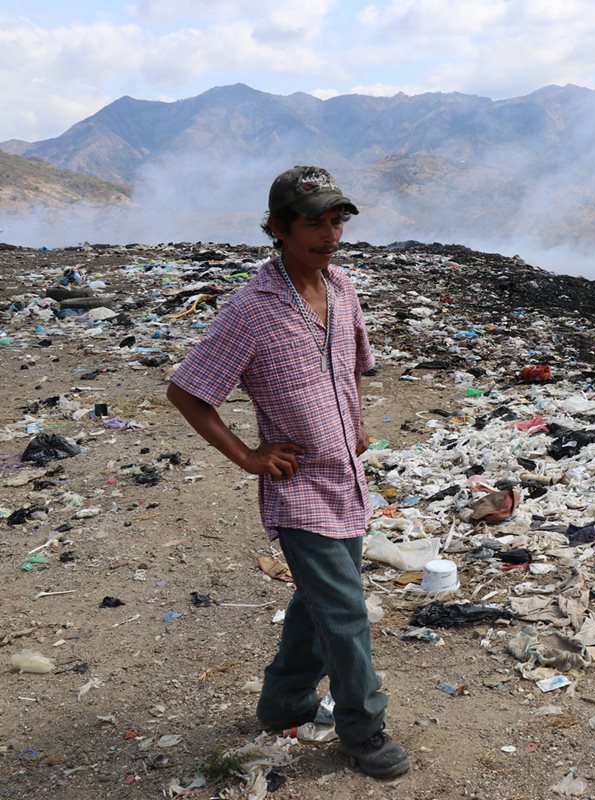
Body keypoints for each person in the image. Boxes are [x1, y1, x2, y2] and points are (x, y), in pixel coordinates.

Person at [167, 165, 409, 780]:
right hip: (298, 487)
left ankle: (285, 704)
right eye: (313, 223)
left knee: (319, 602)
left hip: (346, 478)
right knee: (347, 613)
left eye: (336, 221)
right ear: (275, 227)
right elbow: (189, 391)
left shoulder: (345, 288)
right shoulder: (251, 309)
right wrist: (248, 456)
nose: (329, 235)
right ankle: (363, 730)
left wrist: (355, 419)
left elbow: (353, 364)